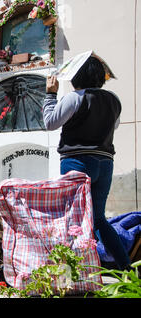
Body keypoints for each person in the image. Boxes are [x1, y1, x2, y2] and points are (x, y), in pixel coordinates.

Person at [43, 56, 131, 270]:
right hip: (105, 162)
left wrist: (50, 95)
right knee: (98, 218)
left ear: (76, 76)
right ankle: (126, 268)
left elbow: (50, 123)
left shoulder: (74, 98)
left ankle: (72, 270)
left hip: (77, 161)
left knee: (73, 218)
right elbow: (114, 126)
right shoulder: (114, 100)